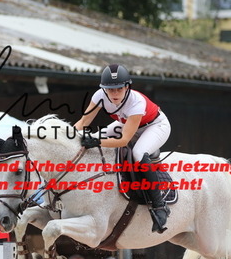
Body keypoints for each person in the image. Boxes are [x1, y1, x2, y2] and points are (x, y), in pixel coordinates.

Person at [74, 64, 172, 233]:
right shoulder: (99, 96)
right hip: (126, 123)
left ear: (127, 87)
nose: (115, 94)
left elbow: (123, 140)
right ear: (104, 89)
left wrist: (96, 142)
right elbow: (83, 122)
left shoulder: (137, 102)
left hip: (155, 126)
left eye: (119, 89)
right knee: (92, 136)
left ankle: (159, 206)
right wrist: (67, 137)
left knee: (138, 153)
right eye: (110, 90)